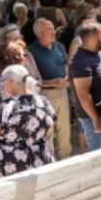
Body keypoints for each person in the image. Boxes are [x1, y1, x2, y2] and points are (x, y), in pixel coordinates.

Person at [0, 64, 57, 176]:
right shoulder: (43, 102)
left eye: (3, 82)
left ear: (11, 82)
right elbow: (50, 126)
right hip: (41, 159)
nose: (2, 85)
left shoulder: (5, 108)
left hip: (12, 165)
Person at [28, 18, 72, 161]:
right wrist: (51, 82)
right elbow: (31, 80)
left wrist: (66, 74)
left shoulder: (58, 46)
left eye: (53, 28)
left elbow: (65, 63)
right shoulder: (31, 52)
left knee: (64, 128)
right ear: (39, 33)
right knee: (48, 130)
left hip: (62, 90)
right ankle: (49, 161)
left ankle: (66, 158)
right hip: (45, 94)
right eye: (49, 29)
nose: (53, 32)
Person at [69, 23, 101, 151]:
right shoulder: (80, 61)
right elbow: (83, 94)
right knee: (97, 160)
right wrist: (95, 119)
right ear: (93, 39)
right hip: (97, 119)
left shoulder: (98, 53)